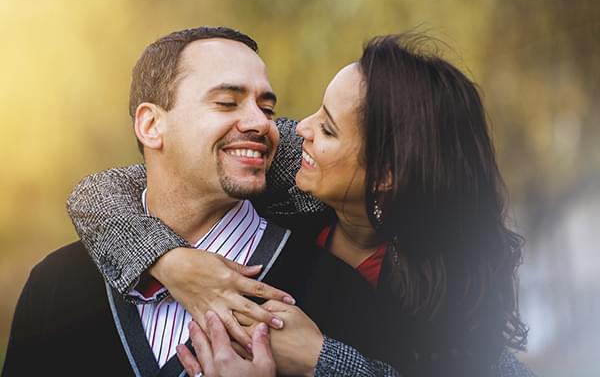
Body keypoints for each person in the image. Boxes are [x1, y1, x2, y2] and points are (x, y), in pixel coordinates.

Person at [65, 33, 535, 376]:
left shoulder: (447, 293)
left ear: (387, 175)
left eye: (329, 127)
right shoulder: (291, 169)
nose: (297, 128)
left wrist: (319, 360)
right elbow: (101, 192)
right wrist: (170, 261)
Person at [2, 26, 312, 377]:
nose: (261, 122)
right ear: (150, 125)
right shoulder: (55, 286)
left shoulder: (328, 287)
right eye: (226, 102)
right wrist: (164, 258)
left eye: (268, 109)